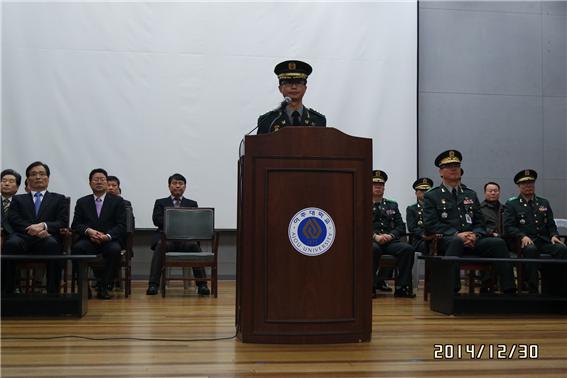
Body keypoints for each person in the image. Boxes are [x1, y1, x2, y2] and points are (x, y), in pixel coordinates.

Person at [423, 150, 516, 294]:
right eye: (449, 166)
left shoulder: (470, 194)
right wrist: (456, 234)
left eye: (456, 165)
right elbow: (431, 224)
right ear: (441, 172)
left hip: (472, 239)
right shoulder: (432, 195)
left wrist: (475, 235)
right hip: (447, 240)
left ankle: (509, 289)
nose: (454, 168)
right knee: (456, 242)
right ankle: (451, 291)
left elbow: (480, 222)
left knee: (498, 243)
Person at [3, 162, 69, 294]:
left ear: (48, 178)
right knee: (11, 243)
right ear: (28, 179)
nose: (38, 177)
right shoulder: (18, 199)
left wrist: (43, 226)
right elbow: (14, 219)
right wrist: (32, 229)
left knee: (53, 244)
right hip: (22, 237)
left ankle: (53, 292)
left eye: (42, 174)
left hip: (46, 237)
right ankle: (6, 293)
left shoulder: (59, 199)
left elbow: (62, 221)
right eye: (33, 174)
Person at [503, 169, 567, 293]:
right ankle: (532, 289)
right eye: (525, 184)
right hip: (524, 242)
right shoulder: (512, 204)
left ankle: (557, 288)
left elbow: (550, 224)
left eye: (531, 183)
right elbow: (509, 227)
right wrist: (522, 236)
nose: (528, 186)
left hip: (543, 241)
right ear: (519, 186)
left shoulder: (543, 202)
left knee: (562, 249)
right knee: (531, 249)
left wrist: (554, 235)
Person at [146, 173, 210, 296]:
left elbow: (195, 222)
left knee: (195, 246)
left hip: (185, 240)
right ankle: (153, 285)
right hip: (166, 239)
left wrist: (175, 220)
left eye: (180, 184)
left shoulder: (192, 203)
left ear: (185, 187)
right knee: (160, 245)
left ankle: (202, 285)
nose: (177, 186)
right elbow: (156, 220)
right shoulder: (160, 202)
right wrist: (178, 221)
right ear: (169, 186)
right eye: (174, 183)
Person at [71, 168, 126, 299]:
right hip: (88, 239)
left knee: (115, 250)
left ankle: (104, 286)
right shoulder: (82, 202)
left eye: (102, 179)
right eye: (96, 179)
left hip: (109, 240)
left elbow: (121, 225)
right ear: (90, 183)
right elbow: (76, 224)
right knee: (77, 249)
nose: (99, 182)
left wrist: (106, 236)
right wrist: (89, 232)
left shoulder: (118, 201)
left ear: (107, 183)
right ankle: (84, 287)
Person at [371, 170, 416, 298]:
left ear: (384, 187)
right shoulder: (362, 203)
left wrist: (390, 236)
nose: (378, 187)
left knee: (407, 249)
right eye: (375, 184)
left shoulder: (392, 205)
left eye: (381, 185)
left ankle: (401, 287)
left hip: (389, 241)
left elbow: (400, 226)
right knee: (372, 249)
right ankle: (371, 286)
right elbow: (360, 225)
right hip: (373, 241)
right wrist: (375, 236)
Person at [257, 60, 326, 134]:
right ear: (280, 88)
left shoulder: (318, 121)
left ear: (305, 88)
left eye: (298, 82)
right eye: (288, 83)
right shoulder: (267, 120)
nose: (294, 87)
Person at [406, 177, 434, 255]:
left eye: (427, 190)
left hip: (435, 237)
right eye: (421, 190)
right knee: (426, 246)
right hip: (420, 239)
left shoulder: (436, 207)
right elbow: (412, 228)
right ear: (416, 193)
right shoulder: (411, 209)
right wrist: (424, 235)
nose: (424, 193)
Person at [1, 169, 22, 236]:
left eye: (11, 181)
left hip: (15, 238)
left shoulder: (22, 203)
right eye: (3, 181)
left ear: (17, 187)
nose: (6, 184)